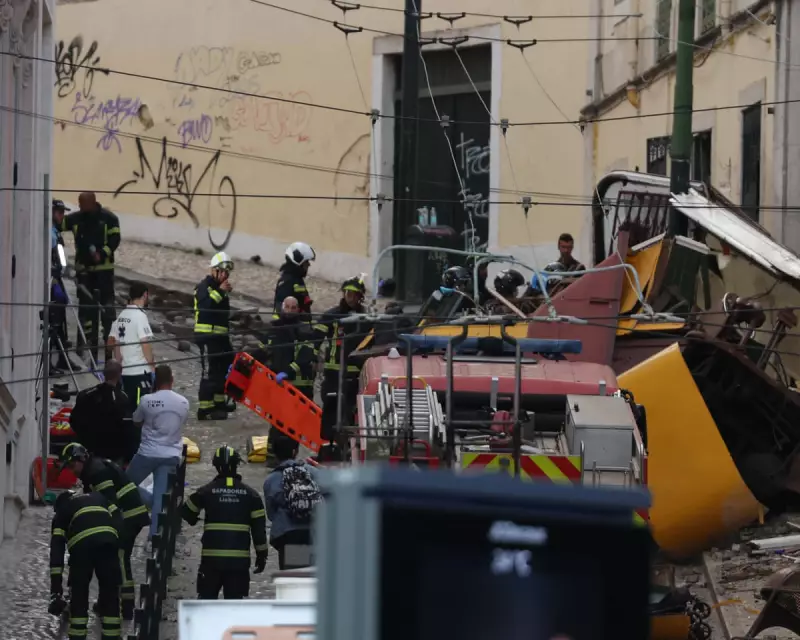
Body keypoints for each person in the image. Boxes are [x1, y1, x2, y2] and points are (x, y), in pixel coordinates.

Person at [58, 443, 150, 618]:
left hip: (128, 517)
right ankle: (105, 602)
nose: (72, 471)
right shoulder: (92, 470)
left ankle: (127, 607)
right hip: (125, 515)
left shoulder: (98, 473)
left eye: (72, 465)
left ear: (82, 459)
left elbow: (108, 504)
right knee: (107, 559)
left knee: (120, 558)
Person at [181, 446, 268, 599]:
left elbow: (186, 512)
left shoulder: (206, 491)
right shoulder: (252, 495)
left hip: (211, 562)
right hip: (238, 564)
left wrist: (195, 519)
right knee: (233, 607)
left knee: (206, 604)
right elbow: (259, 533)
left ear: (216, 466)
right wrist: (262, 556)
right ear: (236, 465)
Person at [127, 364, 189, 541]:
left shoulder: (146, 400)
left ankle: (148, 501)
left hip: (147, 454)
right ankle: (155, 540)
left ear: (155, 381)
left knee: (124, 484)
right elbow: (181, 423)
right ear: (172, 380)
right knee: (161, 500)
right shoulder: (184, 402)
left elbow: (136, 421)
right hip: (171, 455)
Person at [48, 490, 122, 640]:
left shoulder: (62, 511)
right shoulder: (98, 496)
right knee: (110, 592)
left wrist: (56, 589)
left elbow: (57, 551)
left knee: (79, 593)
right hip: (108, 541)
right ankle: (112, 636)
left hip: (82, 547)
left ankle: (78, 636)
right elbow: (118, 516)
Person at [60, 191, 121, 362]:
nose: (80, 207)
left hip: (104, 272)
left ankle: (108, 346)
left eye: (82, 204)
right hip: (84, 272)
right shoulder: (77, 218)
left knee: (107, 309)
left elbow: (115, 239)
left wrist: (102, 253)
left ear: (92, 202)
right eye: (79, 204)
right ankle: (84, 344)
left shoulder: (109, 218)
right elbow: (59, 223)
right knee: (85, 308)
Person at [313, 276, 371, 448]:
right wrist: (312, 359)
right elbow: (315, 339)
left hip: (354, 374)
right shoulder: (331, 315)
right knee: (331, 408)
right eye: (347, 293)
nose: (349, 297)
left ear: (360, 296)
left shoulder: (366, 318)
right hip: (332, 372)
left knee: (351, 410)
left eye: (353, 294)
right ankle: (331, 443)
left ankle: (349, 445)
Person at [263, 433, 320, 570]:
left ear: (275, 454)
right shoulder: (311, 472)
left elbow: (271, 514)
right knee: (311, 576)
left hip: (287, 535)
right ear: (295, 452)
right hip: (312, 533)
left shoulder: (271, 480)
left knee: (292, 578)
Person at [194, 252, 235, 420]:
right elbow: (206, 307)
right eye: (222, 272)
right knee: (210, 372)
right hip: (207, 337)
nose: (225, 275)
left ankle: (219, 403)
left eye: (227, 273)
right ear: (214, 271)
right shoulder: (203, 287)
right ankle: (205, 408)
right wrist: (220, 292)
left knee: (223, 369)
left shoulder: (219, 289)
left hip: (220, 337)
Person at [69, 360, 136, 463]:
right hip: (113, 453)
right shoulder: (123, 398)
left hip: (88, 449)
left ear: (104, 373)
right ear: (119, 375)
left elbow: (74, 421)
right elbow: (127, 429)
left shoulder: (85, 394)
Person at [108, 281, 155, 413]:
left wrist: (119, 365)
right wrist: (152, 366)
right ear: (145, 295)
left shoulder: (122, 316)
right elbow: (145, 343)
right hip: (139, 373)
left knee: (126, 410)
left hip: (124, 373)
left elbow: (116, 345)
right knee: (140, 411)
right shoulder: (140, 316)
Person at [273, 242, 315, 319]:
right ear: (298, 260)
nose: (309, 265)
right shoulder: (288, 281)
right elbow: (283, 309)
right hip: (287, 325)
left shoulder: (297, 279)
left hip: (299, 323)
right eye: (306, 262)